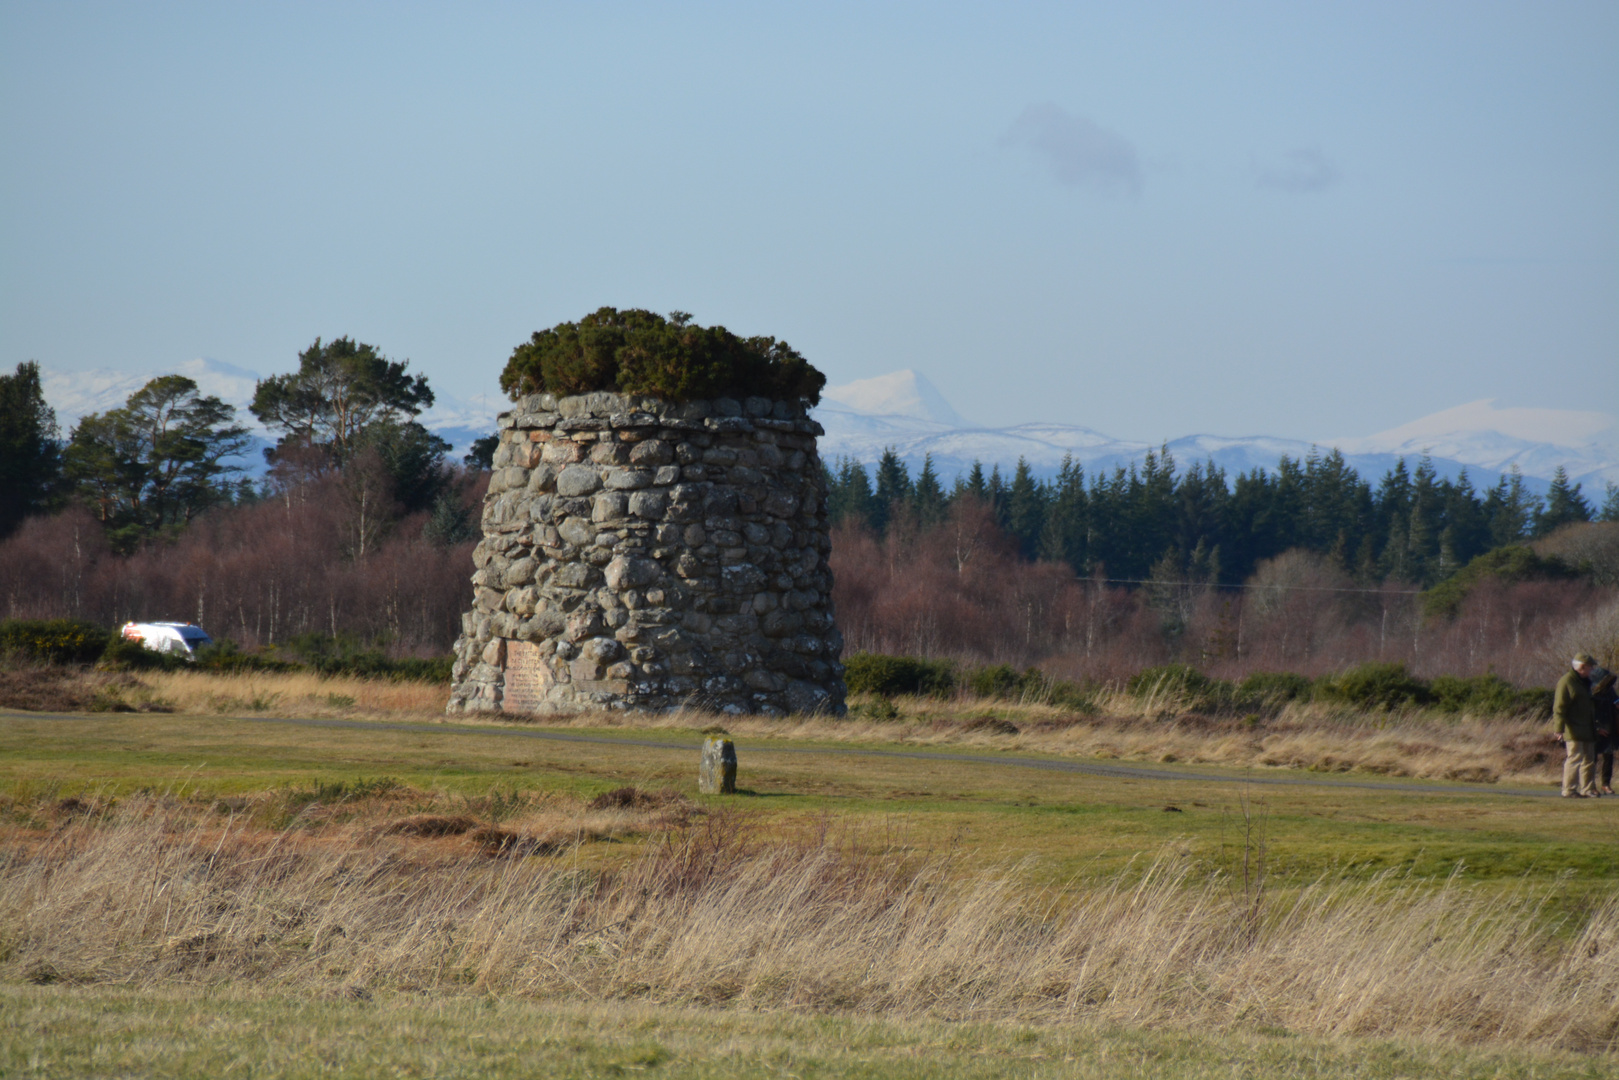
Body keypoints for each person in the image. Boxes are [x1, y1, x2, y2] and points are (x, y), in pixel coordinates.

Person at [1552, 653, 1599, 798]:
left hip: (1588, 728)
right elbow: (1559, 708)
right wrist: (1558, 729)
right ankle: (1569, 790)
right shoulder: (1566, 681)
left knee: (1589, 760)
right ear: (1582, 667)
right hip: (1573, 729)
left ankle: (1588, 789)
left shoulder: (1586, 683)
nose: (1592, 670)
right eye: (1590, 667)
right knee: (1574, 759)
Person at [1592, 667, 1617, 797]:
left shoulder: (1609, 690)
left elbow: (1616, 700)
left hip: (1609, 726)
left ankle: (1605, 784)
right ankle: (1591, 785)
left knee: (1608, 756)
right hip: (1595, 728)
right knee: (1592, 758)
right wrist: (1596, 728)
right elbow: (1588, 712)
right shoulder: (1592, 691)